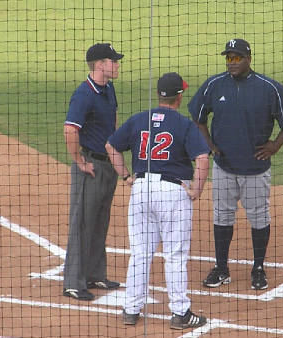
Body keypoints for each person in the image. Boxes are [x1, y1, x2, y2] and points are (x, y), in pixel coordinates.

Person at [188, 38, 283, 290]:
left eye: (236, 58)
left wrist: (275, 145)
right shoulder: (214, 85)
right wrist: (209, 144)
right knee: (222, 215)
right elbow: (198, 117)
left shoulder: (268, 88)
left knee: (259, 217)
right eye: (228, 58)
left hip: (255, 169)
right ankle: (221, 268)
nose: (231, 63)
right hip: (223, 167)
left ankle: (258, 268)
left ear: (248, 59)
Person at [105, 72, 210, 329]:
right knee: (174, 255)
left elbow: (111, 146)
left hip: (141, 190)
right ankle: (180, 313)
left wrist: (126, 176)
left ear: (159, 95)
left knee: (140, 253)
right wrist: (196, 189)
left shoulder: (140, 119)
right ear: (180, 96)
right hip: (172, 193)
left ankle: (131, 309)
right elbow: (203, 158)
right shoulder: (184, 124)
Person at [62, 43, 123, 301]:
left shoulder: (108, 89)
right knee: (82, 223)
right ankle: (74, 283)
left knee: (100, 220)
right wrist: (79, 161)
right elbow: (70, 130)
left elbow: (114, 120)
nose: (118, 64)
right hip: (90, 167)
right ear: (100, 64)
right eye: (114, 61)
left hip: (107, 165)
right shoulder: (84, 94)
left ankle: (95, 274)